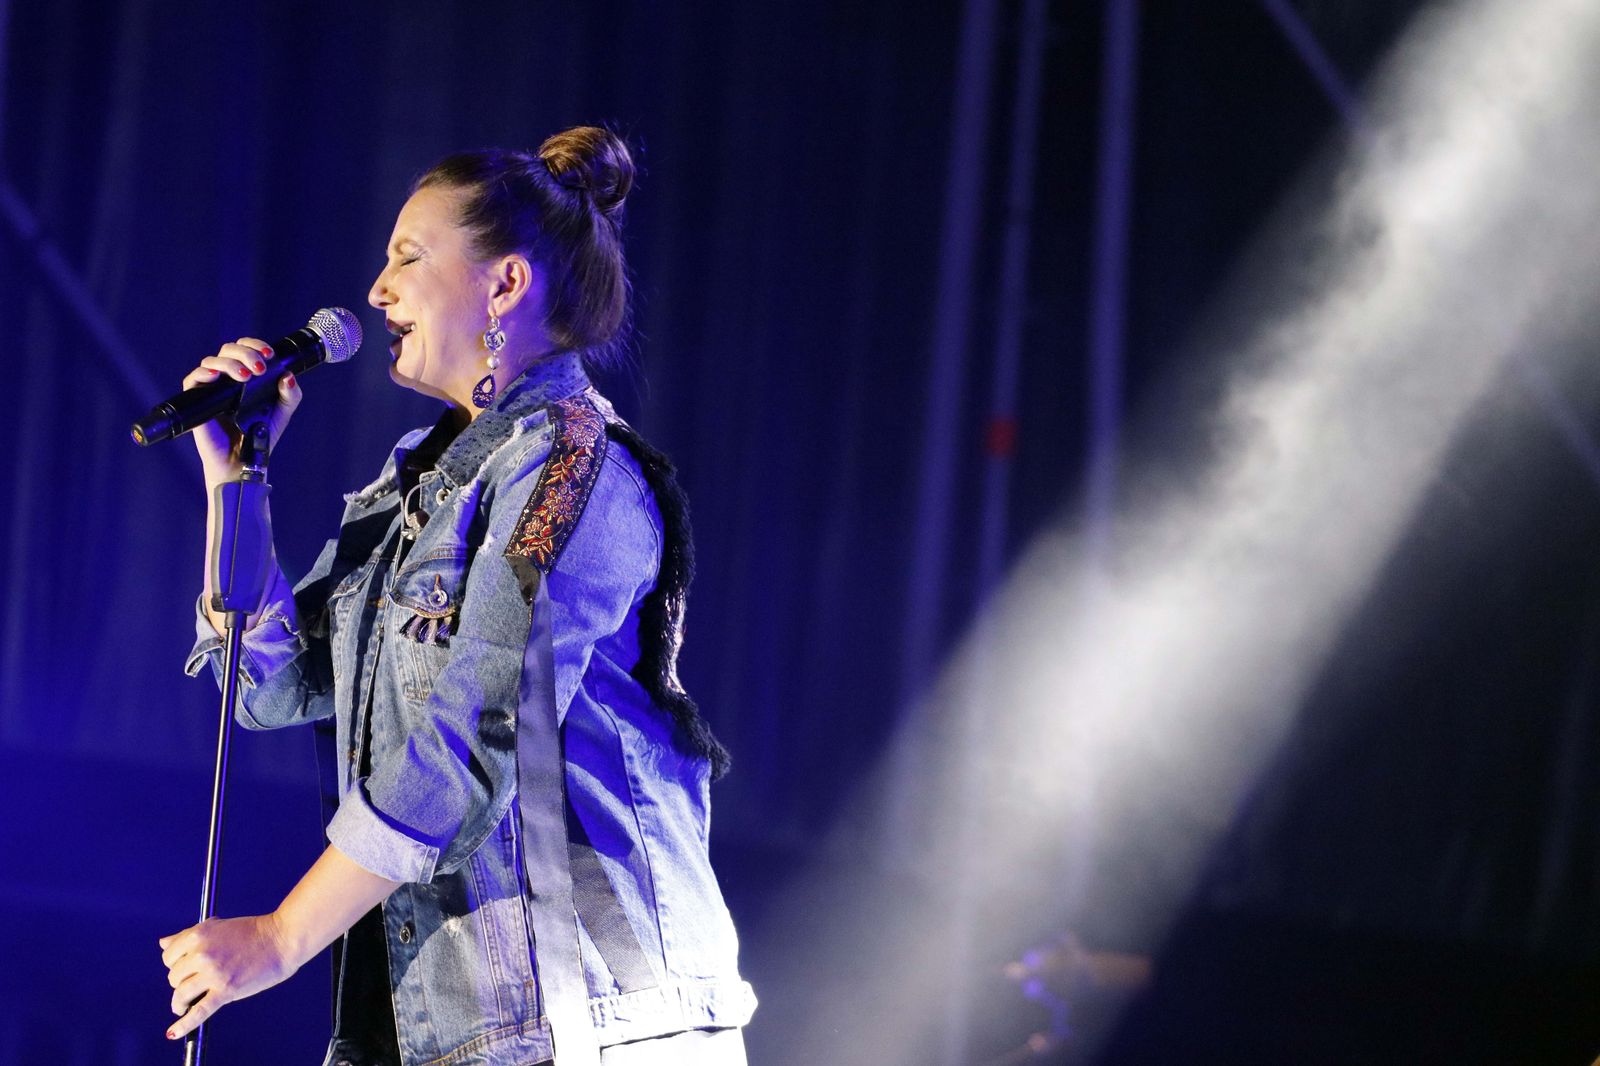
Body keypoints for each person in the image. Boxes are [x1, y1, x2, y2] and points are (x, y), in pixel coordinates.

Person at [159, 127, 756, 1066]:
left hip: (592, 1019)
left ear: (505, 284)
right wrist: (235, 483)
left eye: (406, 257)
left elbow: (476, 731)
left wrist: (279, 938)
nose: (376, 290)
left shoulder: (570, 468)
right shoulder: (418, 479)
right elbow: (272, 686)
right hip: (453, 1020)